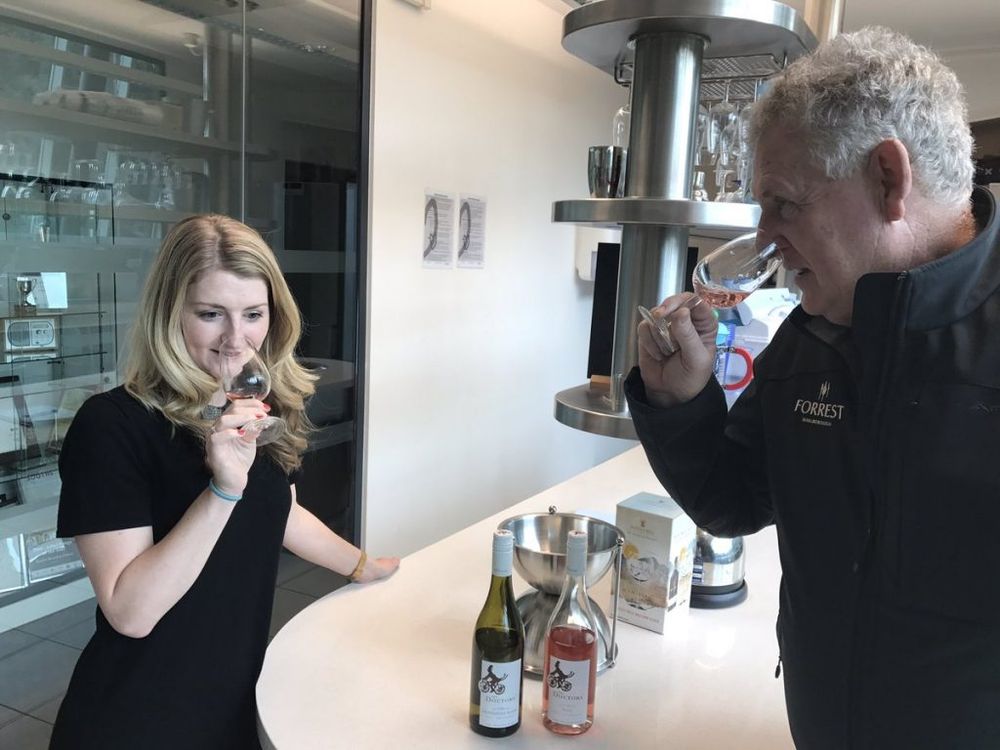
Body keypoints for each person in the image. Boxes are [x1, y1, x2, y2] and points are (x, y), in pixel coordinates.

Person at [625, 27, 999, 750]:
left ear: (888, 179)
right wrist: (680, 401)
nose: (766, 237)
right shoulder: (811, 336)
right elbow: (734, 500)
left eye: (785, 204)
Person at [50, 214, 399, 749]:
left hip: (232, 700)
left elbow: (281, 509)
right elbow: (130, 612)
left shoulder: (255, 404)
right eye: (211, 314)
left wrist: (362, 565)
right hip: (139, 718)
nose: (237, 340)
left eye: (253, 314)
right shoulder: (111, 425)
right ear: (170, 313)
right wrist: (222, 489)